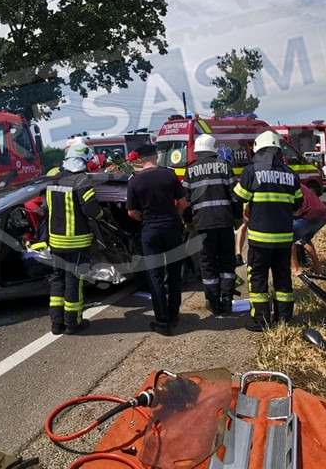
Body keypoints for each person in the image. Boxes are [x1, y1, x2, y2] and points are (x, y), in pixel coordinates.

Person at [234, 130, 303, 331]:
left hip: (259, 239)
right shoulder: (291, 175)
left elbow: (238, 197)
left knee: (258, 279)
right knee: (283, 278)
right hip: (283, 239)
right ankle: (284, 318)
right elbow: (297, 205)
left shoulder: (251, 171)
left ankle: (261, 320)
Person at [126, 143, 189, 336]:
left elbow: (131, 212)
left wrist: (145, 219)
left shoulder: (134, 181)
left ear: (139, 159)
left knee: (155, 277)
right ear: (156, 156)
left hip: (150, 232)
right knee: (174, 273)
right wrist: (176, 217)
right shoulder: (169, 175)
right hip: (171, 230)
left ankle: (162, 322)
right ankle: (174, 314)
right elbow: (184, 203)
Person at [44, 141, 103, 335]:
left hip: (56, 241)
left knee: (57, 279)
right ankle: (73, 322)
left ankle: (56, 323)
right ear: (82, 161)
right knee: (73, 281)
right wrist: (103, 216)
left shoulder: (53, 180)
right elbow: (91, 208)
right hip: (76, 242)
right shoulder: (81, 181)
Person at [182, 134, 241, 316]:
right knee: (227, 262)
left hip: (202, 225)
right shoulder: (225, 167)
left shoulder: (190, 171)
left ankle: (213, 303)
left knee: (207, 263)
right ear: (213, 149)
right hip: (224, 223)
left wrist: (188, 221)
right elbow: (236, 196)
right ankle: (227, 299)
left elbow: (186, 201)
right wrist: (237, 217)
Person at [291, 184, 326, 275]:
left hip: (309, 214)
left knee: (288, 236)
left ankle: (295, 268)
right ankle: (318, 268)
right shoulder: (297, 184)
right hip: (323, 214)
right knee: (304, 239)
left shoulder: (286, 186)